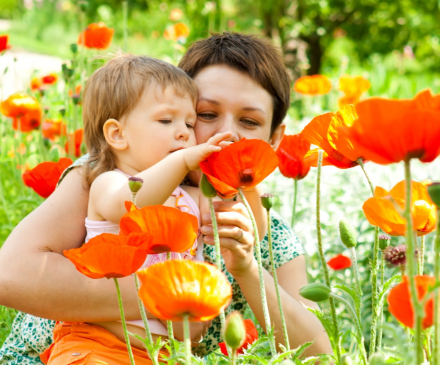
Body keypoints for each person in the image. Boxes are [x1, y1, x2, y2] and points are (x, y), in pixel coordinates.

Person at [0, 33, 332, 364]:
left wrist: (247, 270)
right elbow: (10, 275)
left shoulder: (268, 231)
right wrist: (175, 297)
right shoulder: (108, 175)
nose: (227, 134)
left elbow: (321, 357)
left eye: (249, 121)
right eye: (205, 115)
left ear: (274, 138)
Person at [40, 54, 238, 364]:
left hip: (165, 354)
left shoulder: (189, 196)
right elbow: (131, 205)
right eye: (166, 120)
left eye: (189, 122)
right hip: (97, 345)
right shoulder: (107, 184)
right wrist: (182, 160)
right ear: (117, 134)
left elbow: (235, 207)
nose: (185, 132)